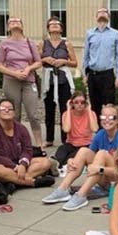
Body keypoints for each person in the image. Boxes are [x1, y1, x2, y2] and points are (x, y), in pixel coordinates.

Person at [41, 104, 118, 211]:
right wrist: (72, 161)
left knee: (102, 154)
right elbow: (88, 155)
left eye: (111, 117)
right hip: (104, 179)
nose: (107, 120)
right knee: (84, 151)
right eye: (103, 117)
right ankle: (63, 189)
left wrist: (100, 169)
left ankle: (81, 195)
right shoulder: (101, 134)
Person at [0, 17, 45, 155]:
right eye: (11, 21)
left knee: (33, 114)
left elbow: (38, 62)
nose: (14, 23)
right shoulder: (4, 44)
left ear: (22, 26)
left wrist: (28, 69)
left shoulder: (29, 42)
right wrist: (14, 73)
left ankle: (40, 145)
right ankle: (14, 144)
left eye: (17, 21)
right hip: (11, 80)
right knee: (14, 114)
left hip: (29, 81)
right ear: (7, 28)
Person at [0, 98, 54, 189]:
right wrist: (15, 167)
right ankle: (32, 182)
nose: (7, 110)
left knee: (45, 162)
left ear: (14, 112)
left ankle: (15, 181)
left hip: (17, 163)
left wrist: (22, 164)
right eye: (3, 108)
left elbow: (27, 149)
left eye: (10, 108)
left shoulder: (21, 128)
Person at [39, 16, 77, 147]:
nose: (54, 25)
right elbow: (36, 61)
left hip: (63, 80)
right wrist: (45, 59)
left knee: (64, 110)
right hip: (48, 80)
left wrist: (64, 61)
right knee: (49, 110)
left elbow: (75, 62)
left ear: (61, 28)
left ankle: (65, 138)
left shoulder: (67, 44)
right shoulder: (43, 43)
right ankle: (49, 139)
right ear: (48, 28)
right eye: (52, 23)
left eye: (57, 23)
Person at [82, 8, 118, 125]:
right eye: (99, 12)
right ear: (96, 17)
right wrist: (84, 74)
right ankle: (98, 133)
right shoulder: (90, 33)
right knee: (95, 106)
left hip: (107, 75)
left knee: (109, 106)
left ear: (108, 17)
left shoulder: (115, 34)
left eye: (104, 12)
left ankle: (110, 130)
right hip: (93, 75)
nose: (102, 14)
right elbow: (86, 55)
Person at [54, 91, 98, 168]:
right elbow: (66, 129)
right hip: (71, 143)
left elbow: (95, 129)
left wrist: (89, 109)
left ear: (86, 103)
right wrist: (68, 109)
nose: (79, 105)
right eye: (76, 102)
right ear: (72, 103)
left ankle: (63, 164)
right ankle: (61, 163)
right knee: (61, 151)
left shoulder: (91, 113)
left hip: (86, 144)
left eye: (82, 102)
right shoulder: (66, 114)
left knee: (75, 155)